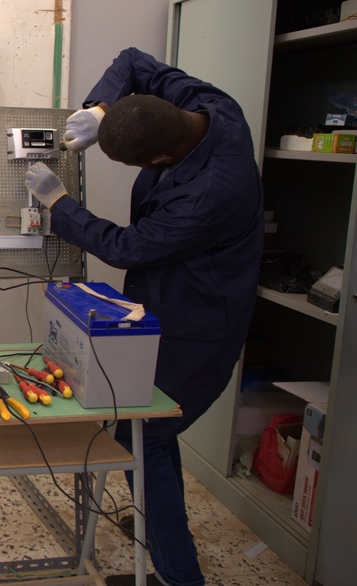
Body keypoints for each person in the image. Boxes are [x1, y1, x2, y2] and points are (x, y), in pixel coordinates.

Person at [24, 47, 264, 586]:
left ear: (161, 161)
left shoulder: (207, 196)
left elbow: (127, 246)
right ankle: (167, 559)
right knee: (147, 434)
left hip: (197, 326)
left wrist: (60, 205)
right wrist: (100, 108)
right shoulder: (209, 106)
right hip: (166, 299)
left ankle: (180, 577)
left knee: (145, 437)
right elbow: (133, 59)